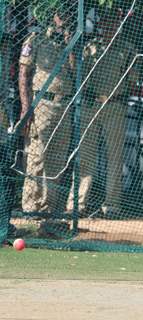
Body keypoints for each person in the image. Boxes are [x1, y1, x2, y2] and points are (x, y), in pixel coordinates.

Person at [66, 8, 137, 217]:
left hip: (115, 107)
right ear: (101, 24)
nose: (110, 27)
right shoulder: (90, 47)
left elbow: (133, 80)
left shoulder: (127, 49)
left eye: (114, 23)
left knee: (114, 158)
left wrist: (116, 95)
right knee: (86, 156)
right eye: (106, 23)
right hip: (91, 106)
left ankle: (112, 206)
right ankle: (77, 204)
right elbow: (79, 75)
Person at [19, 6, 76, 213]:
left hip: (65, 103)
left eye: (68, 15)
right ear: (52, 16)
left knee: (57, 158)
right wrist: (26, 107)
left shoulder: (73, 41)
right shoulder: (36, 39)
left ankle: (48, 207)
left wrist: (70, 43)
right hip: (42, 101)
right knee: (37, 154)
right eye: (60, 14)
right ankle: (30, 206)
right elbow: (23, 73)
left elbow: (75, 70)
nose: (63, 19)